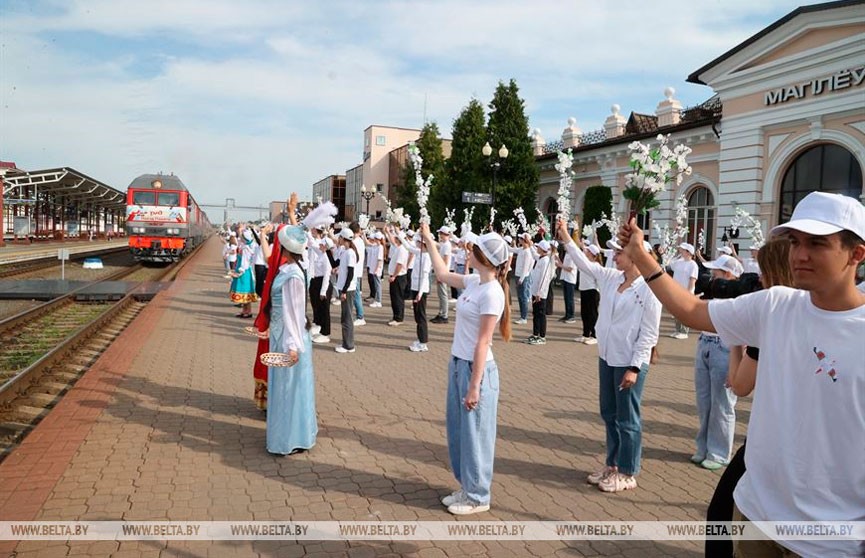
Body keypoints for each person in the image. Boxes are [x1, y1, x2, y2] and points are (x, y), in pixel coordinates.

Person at [617, 191, 865, 558]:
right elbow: (691, 310)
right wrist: (641, 255)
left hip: (829, 542)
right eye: (795, 241)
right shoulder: (776, 305)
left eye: (818, 244)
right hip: (755, 517)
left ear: (857, 253)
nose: (799, 254)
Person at [557, 220, 662, 493]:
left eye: (619, 252)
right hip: (607, 357)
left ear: (636, 256)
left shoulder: (650, 291)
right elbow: (585, 264)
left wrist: (635, 368)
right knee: (609, 413)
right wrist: (568, 239)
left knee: (628, 419)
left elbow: (649, 335)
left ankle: (628, 472)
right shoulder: (612, 277)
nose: (613, 256)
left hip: (629, 363)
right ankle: (613, 465)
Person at [705, 236, 792, 558]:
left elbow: (739, 384)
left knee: (721, 513)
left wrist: (736, 338)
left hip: (771, 441)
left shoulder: (773, 314)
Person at [418, 223, 511, 515]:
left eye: (474, 248)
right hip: (459, 364)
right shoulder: (475, 283)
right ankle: (466, 486)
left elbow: (483, 342)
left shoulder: (493, 293)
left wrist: (474, 385)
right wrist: (430, 240)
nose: (468, 251)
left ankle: (478, 495)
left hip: (476, 370)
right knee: (460, 431)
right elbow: (444, 275)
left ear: (484, 257)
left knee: (477, 435)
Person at [263, 224, 318, 455]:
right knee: (288, 388)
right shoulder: (289, 270)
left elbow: (293, 313)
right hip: (281, 334)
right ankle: (291, 436)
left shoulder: (293, 275)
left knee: (289, 389)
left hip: (289, 338)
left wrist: (293, 346)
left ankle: (290, 439)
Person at [690, 254, 743, 471]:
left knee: (722, 403)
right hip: (705, 343)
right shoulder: (713, 295)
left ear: (728, 275)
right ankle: (703, 447)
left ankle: (719, 453)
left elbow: (742, 334)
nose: (712, 276)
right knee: (704, 401)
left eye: (717, 273)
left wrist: (735, 366)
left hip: (725, 347)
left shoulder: (738, 299)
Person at [326, 229, 358, 353]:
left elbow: (350, 273)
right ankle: (346, 342)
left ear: (343, 239)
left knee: (347, 316)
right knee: (345, 316)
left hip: (348, 289)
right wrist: (327, 250)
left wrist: (344, 291)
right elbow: (335, 264)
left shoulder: (350, 253)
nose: (338, 240)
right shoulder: (344, 251)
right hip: (344, 288)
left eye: (339, 238)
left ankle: (349, 345)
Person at [403, 233, 433, 352]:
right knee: (417, 316)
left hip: (421, 290)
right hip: (416, 288)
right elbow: (408, 247)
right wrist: (398, 234)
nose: (416, 244)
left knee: (421, 316)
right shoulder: (419, 253)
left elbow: (425, 276)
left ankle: (423, 343)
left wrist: (420, 293)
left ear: (423, 244)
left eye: (418, 242)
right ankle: (420, 339)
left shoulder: (426, 257)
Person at [526, 240, 554, 345]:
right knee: (535, 314)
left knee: (541, 314)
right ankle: (535, 334)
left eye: (538, 247)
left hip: (540, 294)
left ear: (542, 249)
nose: (536, 248)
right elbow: (534, 254)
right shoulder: (541, 258)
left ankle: (542, 336)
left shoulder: (546, 261)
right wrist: (530, 244)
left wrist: (539, 293)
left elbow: (544, 279)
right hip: (535, 291)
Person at [669, 242, 699, 339]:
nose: (680, 251)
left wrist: (688, 292)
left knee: (684, 312)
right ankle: (677, 330)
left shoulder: (693, 265)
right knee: (676, 311)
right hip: (676, 290)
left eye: (683, 250)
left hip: (686, 291)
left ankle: (684, 331)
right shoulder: (679, 262)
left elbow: (692, 279)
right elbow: (669, 264)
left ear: (688, 252)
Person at [229, 228, 259, 318]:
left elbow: (245, 262)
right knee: (244, 291)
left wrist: (240, 271)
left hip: (244, 272)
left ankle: (248, 311)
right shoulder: (245, 246)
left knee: (245, 291)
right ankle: (244, 311)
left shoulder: (246, 249)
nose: (240, 238)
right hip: (244, 271)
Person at [576, 244, 602, 345]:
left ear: (592, 254)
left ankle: (595, 335)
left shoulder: (596, 265)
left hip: (592, 291)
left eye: (588, 251)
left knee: (592, 314)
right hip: (584, 289)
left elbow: (599, 280)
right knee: (584, 313)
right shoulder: (585, 263)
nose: (586, 252)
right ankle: (585, 334)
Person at [310, 237, 334, 344]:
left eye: (321, 245)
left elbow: (327, 276)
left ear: (325, 247)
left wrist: (323, 291)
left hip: (324, 284)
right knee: (318, 307)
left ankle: (325, 333)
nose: (318, 246)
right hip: (316, 281)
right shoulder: (320, 254)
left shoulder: (325, 258)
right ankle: (320, 329)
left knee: (325, 310)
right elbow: (311, 243)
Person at [385, 227, 409, 326]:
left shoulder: (402, 250)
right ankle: (396, 316)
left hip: (399, 277)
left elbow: (399, 264)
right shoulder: (399, 248)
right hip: (397, 276)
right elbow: (392, 240)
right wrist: (388, 232)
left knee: (397, 297)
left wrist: (394, 276)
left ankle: (398, 318)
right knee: (394, 297)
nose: (395, 239)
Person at [431, 226, 453, 324]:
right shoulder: (444, 244)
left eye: (441, 234)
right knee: (441, 294)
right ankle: (441, 313)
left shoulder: (447, 245)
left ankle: (444, 315)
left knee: (443, 294)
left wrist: (440, 273)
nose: (439, 235)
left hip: (443, 272)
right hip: (441, 271)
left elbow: (445, 260)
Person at [512, 233, 534, 325]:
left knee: (523, 297)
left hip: (523, 277)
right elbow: (512, 249)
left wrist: (521, 278)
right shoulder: (521, 249)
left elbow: (526, 267)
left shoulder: (528, 252)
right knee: (520, 297)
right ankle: (522, 316)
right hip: (518, 275)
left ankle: (524, 317)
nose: (519, 239)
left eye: (520, 238)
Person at [349, 223, 367, 327]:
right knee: (354, 294)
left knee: (356, 294)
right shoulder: (359, 240)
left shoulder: (356, 241)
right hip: (357, 271)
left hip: (355, 271)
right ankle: (357, 315)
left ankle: (360, 316)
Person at [556, 242, 578, 324]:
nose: (564, 246)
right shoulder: (567, 254)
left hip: (570, 279)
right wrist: (557, 259)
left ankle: (571, 316)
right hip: (565, 278)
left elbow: (570, 268)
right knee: (566, 298)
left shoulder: (572, 255)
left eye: (565, 245)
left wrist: (560, 266)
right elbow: (563, 264)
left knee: (570, 298)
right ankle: (567, 314)